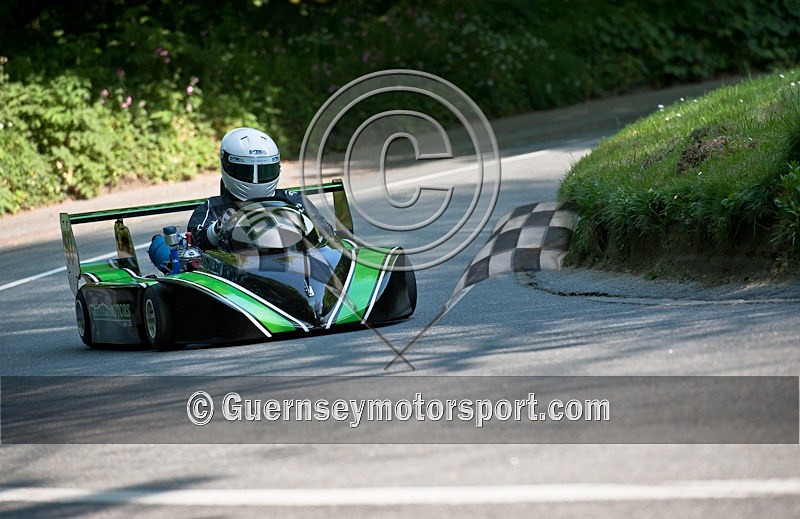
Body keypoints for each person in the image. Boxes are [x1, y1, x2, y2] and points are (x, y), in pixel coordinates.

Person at [187, 127, 332, 250]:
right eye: (246, 171)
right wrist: (217, 229)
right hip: (238, 274)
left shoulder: (293, 200)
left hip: (294, 269)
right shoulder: (212, 208)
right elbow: (194, 244)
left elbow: (327, 235)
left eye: (263, 171)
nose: (255, 180)